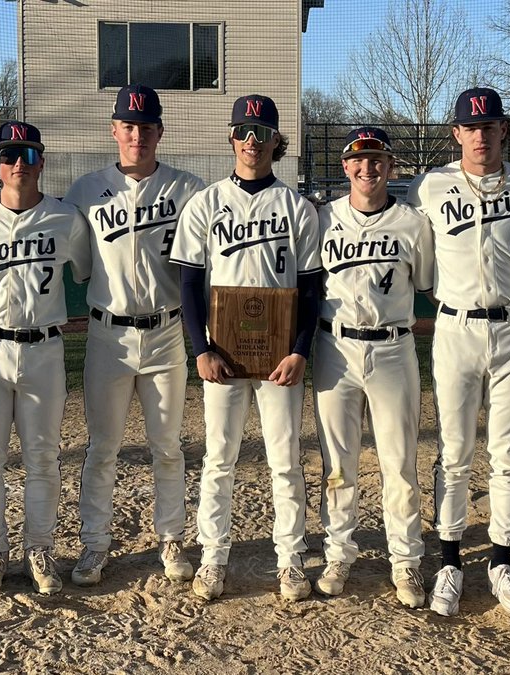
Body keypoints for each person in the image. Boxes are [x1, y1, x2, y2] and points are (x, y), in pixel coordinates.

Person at [169, 94, 321, 602]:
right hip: (224, 354)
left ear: (278, 140)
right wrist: (200, 348)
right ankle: (213, 558)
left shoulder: (296, 206)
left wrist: (300, 348)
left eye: (262, 132)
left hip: (280, 356)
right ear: (231, 138)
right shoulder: (207, 203)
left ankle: (291, 559)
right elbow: (190, 282)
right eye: (243, 131)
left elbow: (311, 287)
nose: (252, 141)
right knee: (220, 458)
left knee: (285, 460)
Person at [407, 87, 510, 616]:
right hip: (455, 328)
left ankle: (501, 560)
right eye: (471, 126)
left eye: (490, 126)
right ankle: (449, 562)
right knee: (455, 449)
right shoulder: (430, 187)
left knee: (506, 450)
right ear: (457, 133)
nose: (481, 135)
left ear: (503, 130)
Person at [63, 85, 206, 587]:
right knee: (103, 447)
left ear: (159, 132)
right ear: (114, 131)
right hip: (109, 334)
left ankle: (170, 539)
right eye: (128, 125)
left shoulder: (188, 189)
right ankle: (94, 544)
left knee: (167, 446)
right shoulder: (85, 190)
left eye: (146, 126)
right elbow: (81, 268)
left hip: (166, 333)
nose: (137, 135)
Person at [0, 121, 87, 594]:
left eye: (28, 156)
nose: (19, 165)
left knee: (43, 458)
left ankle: (40, 549)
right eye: (9, 156)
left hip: (45, 348)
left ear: (41, 163)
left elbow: (84, 269)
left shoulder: (66, 218)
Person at [312, 127, 434, 609]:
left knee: (399, 461)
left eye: (377, 159)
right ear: (345, 168)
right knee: (337, 462)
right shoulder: (323, 219)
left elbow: (424, 280)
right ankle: (339, 551)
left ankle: (405, 559)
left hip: (392, 347)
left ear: (391, 166)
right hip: (334, 348)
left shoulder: (412, 223)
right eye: (358, 160)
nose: (368, 168)